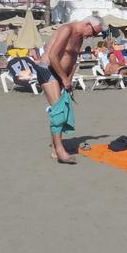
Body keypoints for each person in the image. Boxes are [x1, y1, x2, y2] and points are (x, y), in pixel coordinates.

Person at [37, 17, 104, 164]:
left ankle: (55, 150)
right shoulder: (67, 29)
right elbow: (53, 55)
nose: (91, 37)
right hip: (47, 70)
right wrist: (64, 78)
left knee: (60, 110)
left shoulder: (79, 37)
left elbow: (73, 59)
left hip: (61, 75)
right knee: (58, 111)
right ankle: (60, 151)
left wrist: (69, 80)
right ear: (87, 24)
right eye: (93, 33)